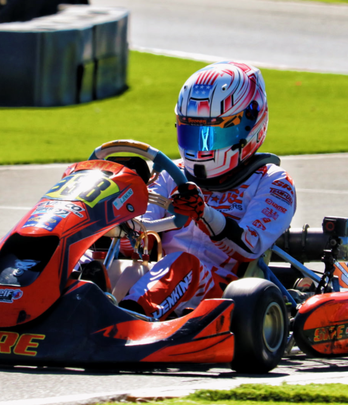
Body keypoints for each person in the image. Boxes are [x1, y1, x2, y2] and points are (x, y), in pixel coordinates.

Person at [118, 61, 296, 320]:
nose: (201, 148)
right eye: (193, 134)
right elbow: (140, 236)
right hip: (155, 277)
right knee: (92, 257)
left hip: (220, 293)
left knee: (182, 264)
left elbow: (249, 246)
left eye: (212, 135)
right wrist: (118, 216)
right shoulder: (170, 173)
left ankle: (128, 322)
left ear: (249, 124)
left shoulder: (272, 182)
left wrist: (204, 214)